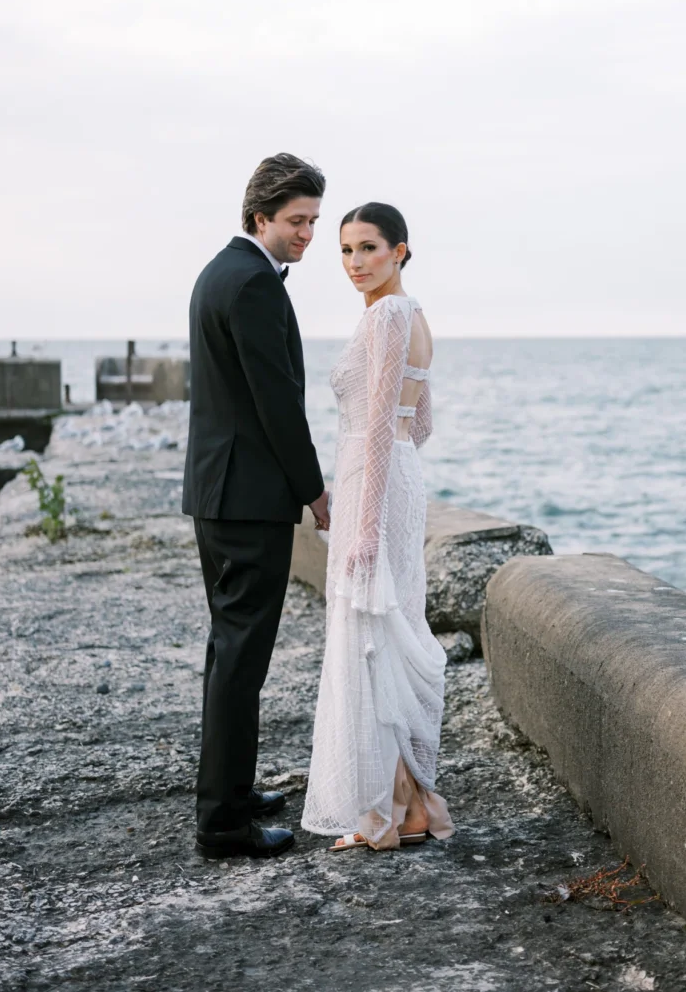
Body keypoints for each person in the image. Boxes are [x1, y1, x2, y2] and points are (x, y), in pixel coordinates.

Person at [183, 153, 331, 859]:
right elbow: (276, 402)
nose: (308, 234)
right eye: (297, 220)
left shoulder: (222, 271)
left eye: (313, 220)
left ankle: (232, 793)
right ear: (260, 216)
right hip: (246, 501)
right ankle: (223, 824)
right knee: (242, 661)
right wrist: (313, 487)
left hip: (221, 493)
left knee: (229, 654)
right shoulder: (251, 285)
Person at [302, 203, 455, 851]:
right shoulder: (415, 314)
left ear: (400, 250)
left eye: (368, 247)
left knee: (371, 630)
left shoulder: (387, 313)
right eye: (345, 250)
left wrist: (361, 521)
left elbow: (383, 419)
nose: (355, 262)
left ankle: (389, 809)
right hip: (398, 476)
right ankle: (410, 801)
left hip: (378, 483)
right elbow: (418, 425)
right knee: (386, 630)